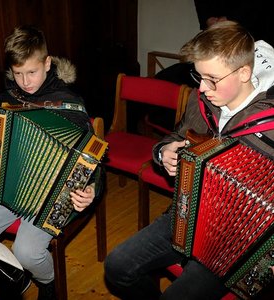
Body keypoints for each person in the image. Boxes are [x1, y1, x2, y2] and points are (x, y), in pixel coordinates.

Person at [104, 21, 274, 300]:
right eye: (199, 77)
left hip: (238, 241)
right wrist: (164, 152)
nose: (203, 88)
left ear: (244, 72)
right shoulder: (202, 101)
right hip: (188, 215)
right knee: (118, 267)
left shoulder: (268, 121)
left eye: (212, 79)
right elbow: (176, 135)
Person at [0, 25, 104, 300]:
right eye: (17, 73)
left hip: (55, 194)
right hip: (12, 187)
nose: (25, 81)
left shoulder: (69, 104)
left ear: (47, 63)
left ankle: (49, 281)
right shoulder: (8, 98)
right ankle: (9, 278)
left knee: (27, 252)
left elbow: (92, 157)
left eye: (31, 72)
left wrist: (91, 189)